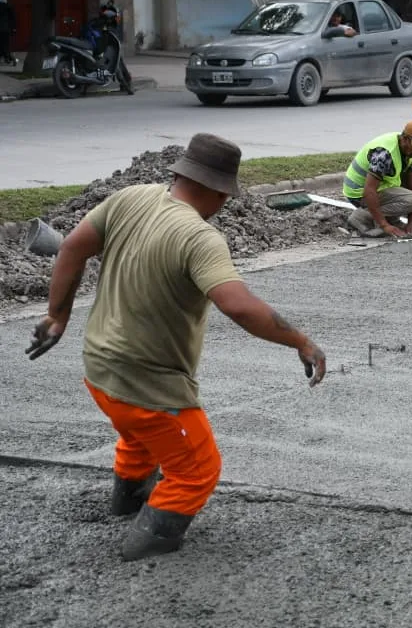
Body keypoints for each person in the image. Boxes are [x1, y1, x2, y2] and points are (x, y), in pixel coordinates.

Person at [25, 133, 328, 561]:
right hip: (150, 386)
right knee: (197, 469)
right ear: (220, 192)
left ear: (181, 174)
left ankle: (128, 504)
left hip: (100, 370)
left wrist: (57, 316)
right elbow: (239, 306)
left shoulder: (130, 198)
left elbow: (72, 247)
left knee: (140, 439)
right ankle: (142, 552)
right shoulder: (199, 238)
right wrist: (301, 340)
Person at [342, 120, 412, 238]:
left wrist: (411, 222)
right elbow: (369, 190)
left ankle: (390, 217)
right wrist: (384, 226)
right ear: (405, 139)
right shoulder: (385, 154)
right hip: (359, 193)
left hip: (382, 184)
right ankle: (362, 216)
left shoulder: (411, 150)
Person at [0, 0, 16, 66]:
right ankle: (7, 57)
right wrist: (13, 28)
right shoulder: (8, 6)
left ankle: (4, 56)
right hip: (5, 28)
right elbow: (12, 18)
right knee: (6, 44)